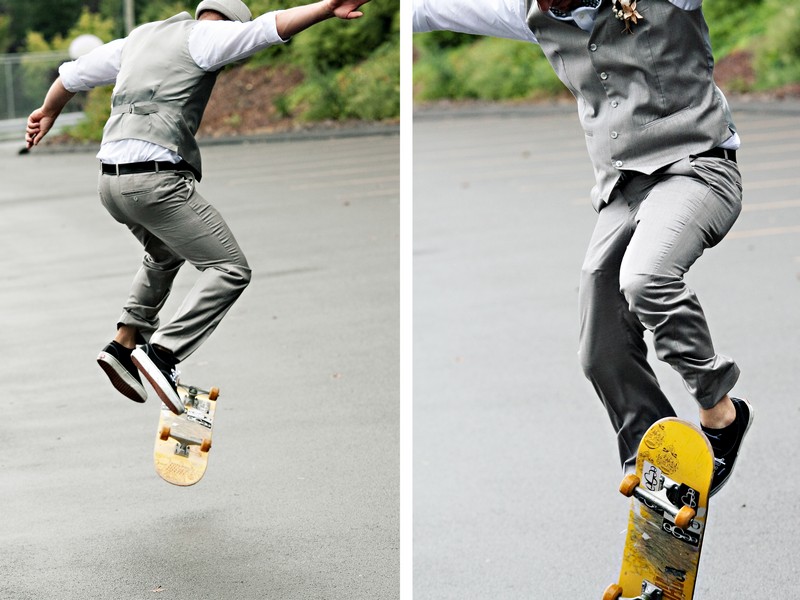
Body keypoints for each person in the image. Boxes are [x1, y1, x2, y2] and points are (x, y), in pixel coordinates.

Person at [413, 0, 752, 495]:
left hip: (698, 168)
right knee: (601, 347)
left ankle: (721, 413)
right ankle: (658, 464)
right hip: (622, 191)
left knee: (645, 277)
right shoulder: (531, 12)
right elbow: (430, 9)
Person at [26, 0, 370, 415]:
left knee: (164, 252)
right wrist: (328, 7)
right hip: (155, 182)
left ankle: (123, 344)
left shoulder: (139, 39)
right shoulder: (210, 38)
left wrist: (47, 112)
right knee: (229, 269)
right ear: (227, 24)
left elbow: (71, 75)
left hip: (110, 183)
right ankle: (163, 354)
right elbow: (270, 27)